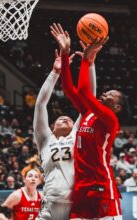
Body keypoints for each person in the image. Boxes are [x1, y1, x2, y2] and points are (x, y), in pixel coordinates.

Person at [52, 23, 125, 219]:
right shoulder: (87, 113)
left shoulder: (110, 120)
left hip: (102, 187)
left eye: (110, 94)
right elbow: (69, 88)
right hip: (81, 188)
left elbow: (84, 91)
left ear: (116, 107)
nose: (104, 93)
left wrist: (86, 60)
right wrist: (66, 54)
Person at [34, 25, 100, 220]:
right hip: (50, 205)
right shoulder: (45, 139)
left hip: (76, 205)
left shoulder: (77, 135)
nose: (65, 117)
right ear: (51, 127)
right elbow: (40, 105)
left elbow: (90, 101)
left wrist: (90, 65)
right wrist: (55, 73)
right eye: (60, 119)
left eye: (70, 118)